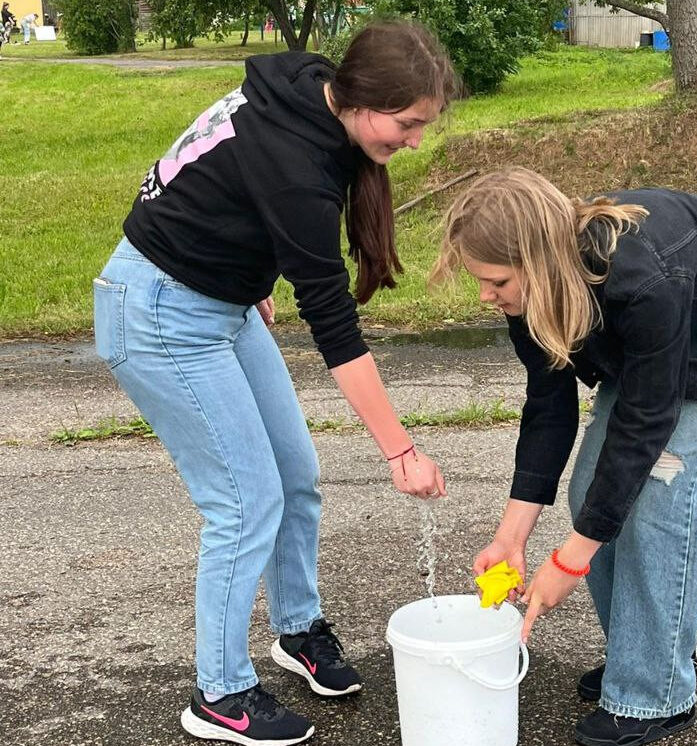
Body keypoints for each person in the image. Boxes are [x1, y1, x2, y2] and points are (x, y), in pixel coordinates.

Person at [93, 21, 457, 746]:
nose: (416, 141)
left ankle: (297, 628)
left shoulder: (307, 85)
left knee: (295, 475)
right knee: (243, 502)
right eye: (408, 124)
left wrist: (243, 264)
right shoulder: (297, 165)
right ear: (360, 100)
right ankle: (220, 694)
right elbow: (334, 329)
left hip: (219, 297)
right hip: (161, 311)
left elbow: (218, 173)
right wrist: (401, 450)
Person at [432, 166, 697, 746]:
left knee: (659, 500)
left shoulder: (643, 275)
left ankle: (654, 692)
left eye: (497, 281)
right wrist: (512, 536)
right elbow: (549, 407)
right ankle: (646, 654)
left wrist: (569, 563)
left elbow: (645, 422)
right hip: (666, 329)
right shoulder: (532, 293)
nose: (486, 295)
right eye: (480, 281)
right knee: (591, 487)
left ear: (538, 261)